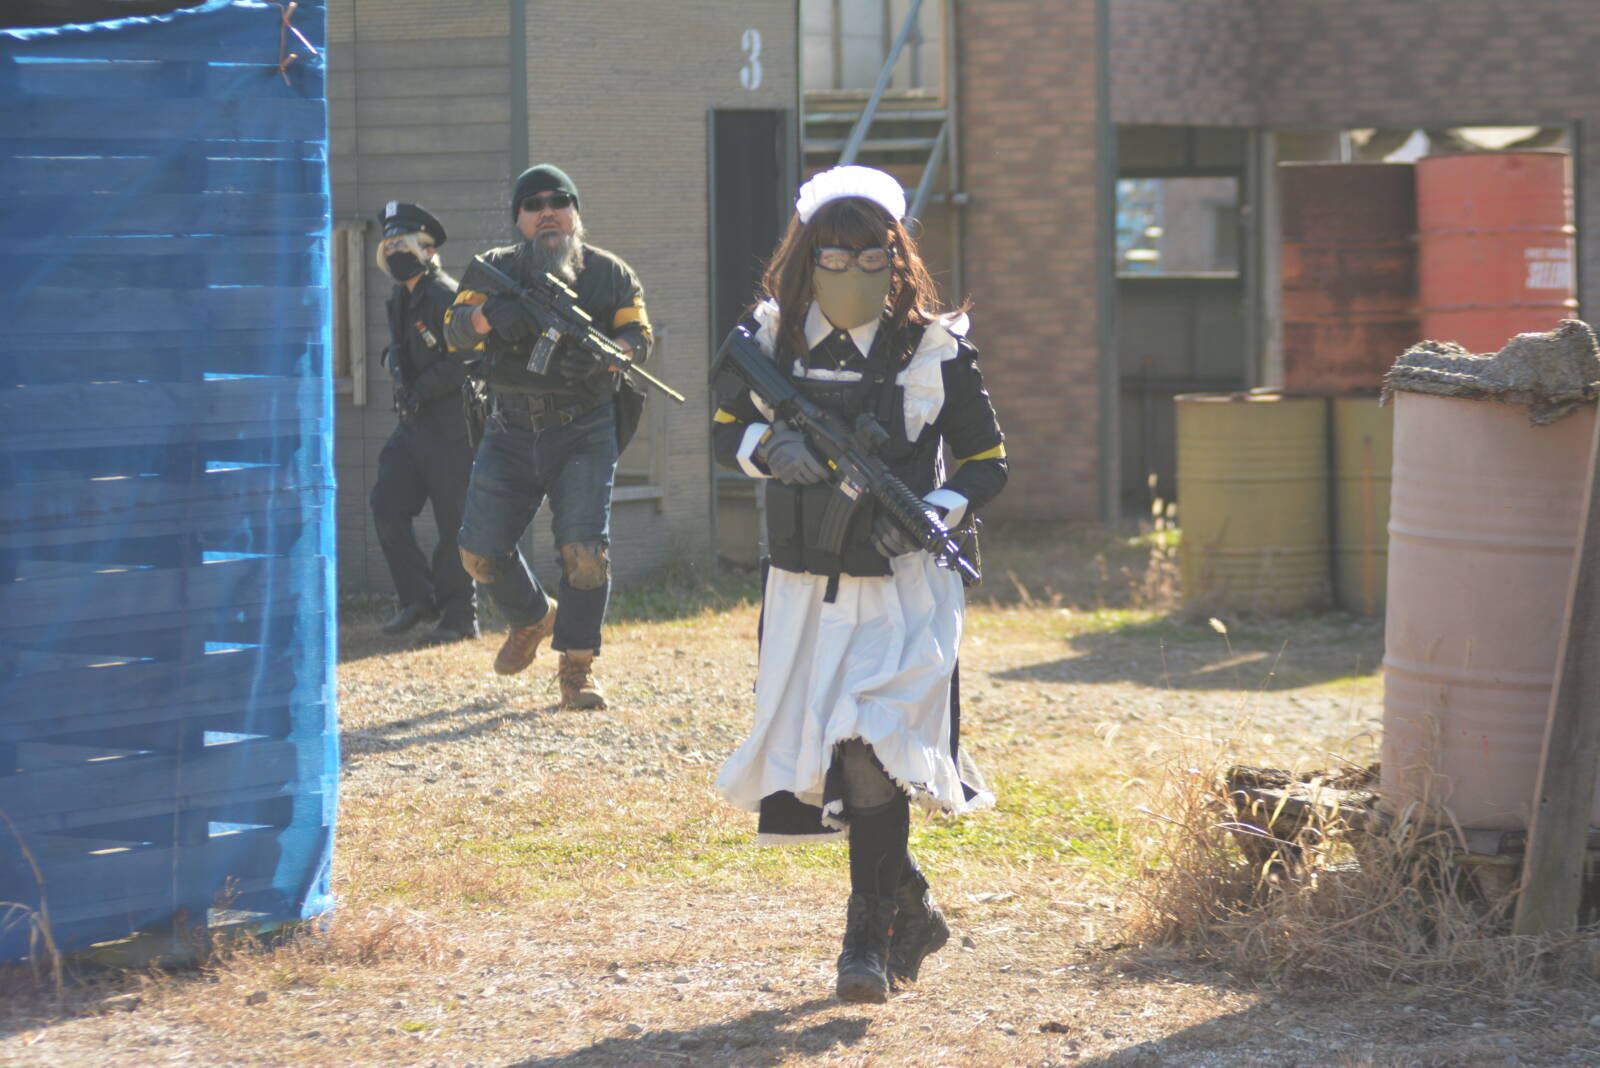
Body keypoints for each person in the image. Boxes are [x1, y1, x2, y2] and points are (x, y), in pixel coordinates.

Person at [710, 165, 1008, 1004]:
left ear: (895, 257)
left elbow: (988, 460)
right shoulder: (771, 339)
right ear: (808, 257)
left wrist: (932, 513)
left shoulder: (934, 348)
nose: (850, 272)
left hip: (903, 587)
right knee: (834, 751)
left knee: (872, 749)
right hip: (805, 588)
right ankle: (910, 906)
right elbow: (725, 426)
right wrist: (770, 449)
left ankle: (865, 942)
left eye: (870, 255)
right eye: (833, 257)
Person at [443, 164, 652, 710]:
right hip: (508, 428)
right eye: (533, 204)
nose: (547, 212)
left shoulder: (609, 274)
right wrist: (491, 316)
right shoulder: (494, 270)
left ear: (575, 213)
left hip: (583, 430)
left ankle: (577, 669)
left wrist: (608, 358)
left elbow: (638, 336)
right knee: (478, 554)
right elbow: (454, 332)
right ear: (519, 219)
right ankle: (534, 617)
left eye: (559, 201)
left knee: (585, 555)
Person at [370, 201, 478, 645]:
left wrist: (423, 388)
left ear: (428, 250)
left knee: (454, 524)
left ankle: (460, 618)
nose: (396, 252)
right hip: (413, 425)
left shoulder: (445, 296)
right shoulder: (399, 298)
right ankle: (418, 598)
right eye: (390, 245)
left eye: (404, 244)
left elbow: (467, 360)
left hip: (451, 427)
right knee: (386, 505)